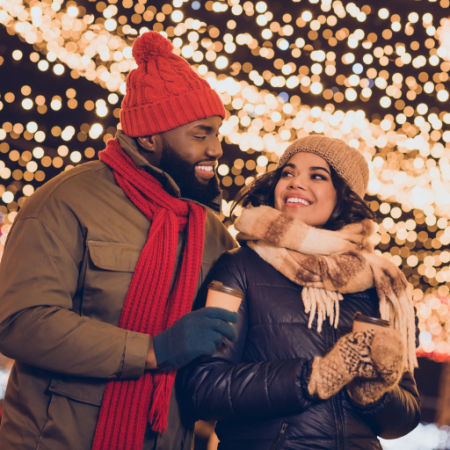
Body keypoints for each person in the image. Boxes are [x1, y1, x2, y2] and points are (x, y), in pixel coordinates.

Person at [0, 31, 239, 450]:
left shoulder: (211, 231)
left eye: (217, 133)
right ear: (150, 136)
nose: (216, 149)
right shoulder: (66, 201)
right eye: (200, 134)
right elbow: (20, 322)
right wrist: (152, 350)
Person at [179, 135, 421, 449]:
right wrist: (312, 377)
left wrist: (373, 393)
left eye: (317, 176)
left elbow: (405, 418)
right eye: (288, 173)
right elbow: (202, 389)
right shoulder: (241, 267)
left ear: (344, 195)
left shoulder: (382, 284)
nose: (296, 183)